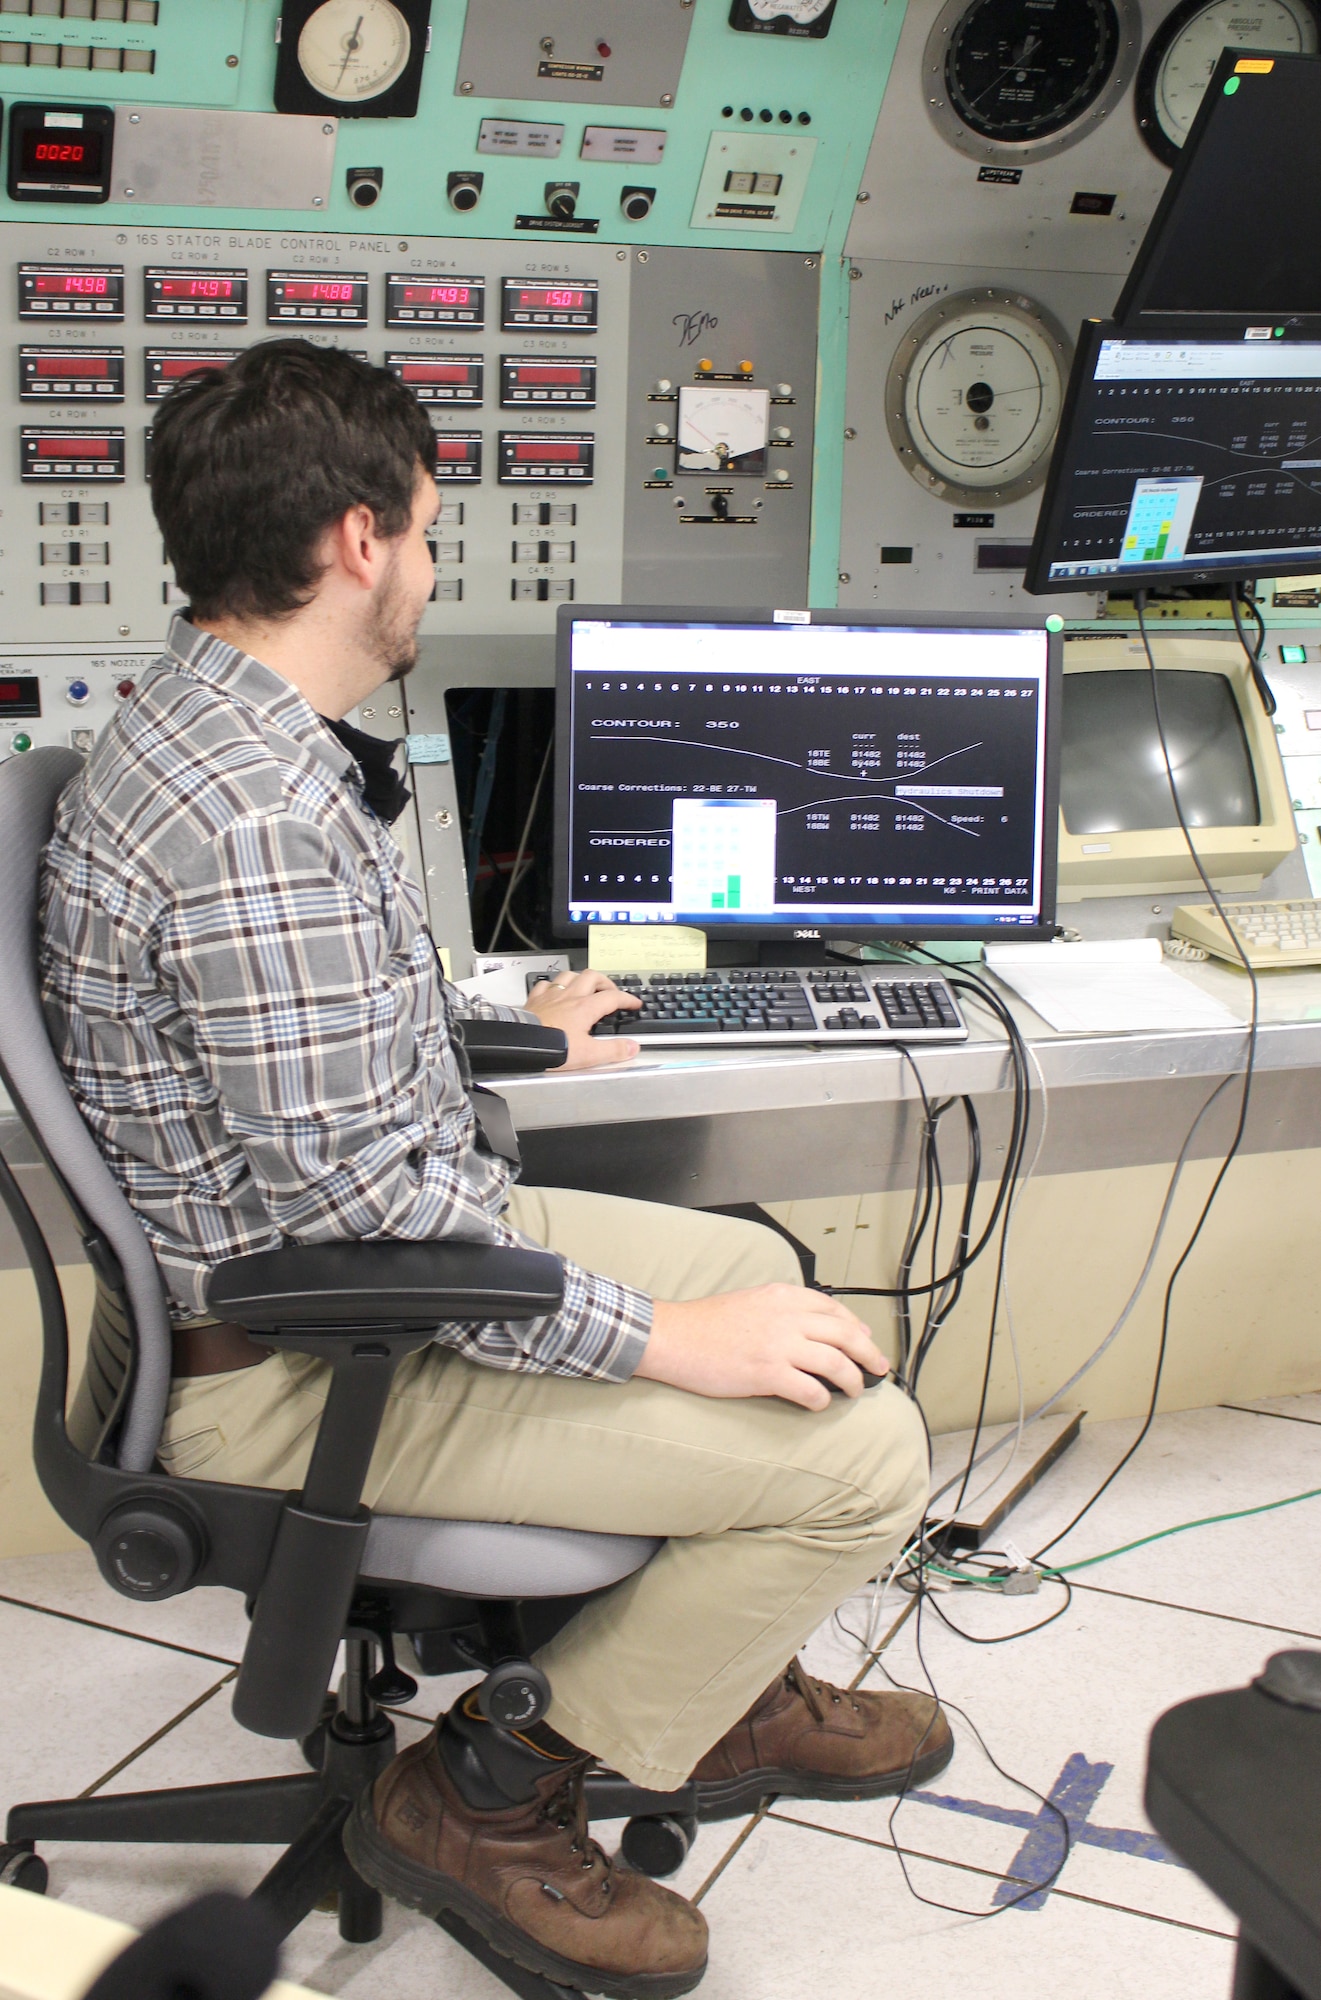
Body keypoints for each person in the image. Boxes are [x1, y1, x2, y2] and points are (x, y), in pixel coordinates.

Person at [40, 340, 948, 2000]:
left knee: (779, 1293)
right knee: (860, 1455)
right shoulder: (253, 817)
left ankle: (701, 1677)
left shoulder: (210, 732)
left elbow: (297, 1066)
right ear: (360, 541)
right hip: (314, 1348)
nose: (435, 568)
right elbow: (363, 1217)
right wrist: (668, 1345)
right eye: (433, 531)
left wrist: (502, 1026)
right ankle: (480, 1796)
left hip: (347, 1260)